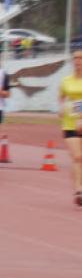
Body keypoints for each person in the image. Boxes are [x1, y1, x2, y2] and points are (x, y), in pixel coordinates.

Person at [58, 49, 82, 207]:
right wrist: (61, 107)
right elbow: (61, 98)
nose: (78, 61)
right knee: (77, 156)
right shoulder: (66, 81)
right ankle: (78, 190)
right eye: (75, 58)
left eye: (80, 58)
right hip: (69, 123)